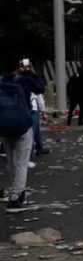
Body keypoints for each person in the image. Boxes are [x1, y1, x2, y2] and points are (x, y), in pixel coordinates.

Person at [0, 59, 45, 208]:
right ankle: (16, 196)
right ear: (17, 68)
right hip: (23, 124)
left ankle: (16, 189)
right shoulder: (24, 80)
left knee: (11, 161)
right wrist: (32, 73)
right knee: (22, 162)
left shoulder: (1, 82)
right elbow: (40, 88)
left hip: (5, 126)